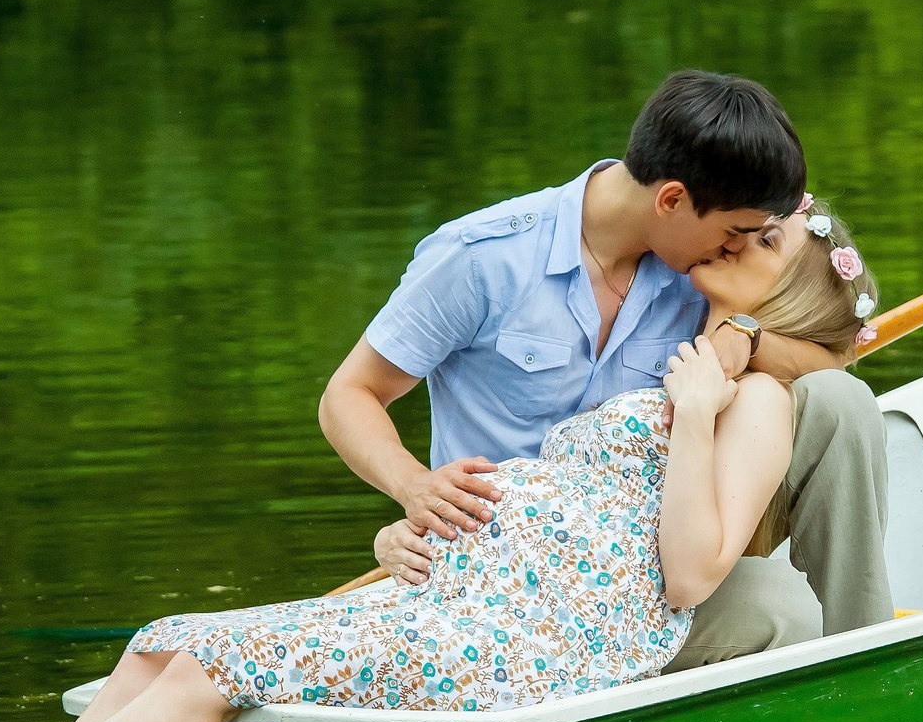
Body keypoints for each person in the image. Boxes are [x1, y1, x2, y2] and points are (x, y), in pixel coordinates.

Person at [0, 206, 882, 722]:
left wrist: (703, 414)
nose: (744, 234)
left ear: (789, 287)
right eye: (745, 225)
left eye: (767, 242)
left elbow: (689, 566)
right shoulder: (634, 295)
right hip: (478, 578)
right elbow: (383, 414)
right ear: (678, 205)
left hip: (542, 631)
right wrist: (407, 512)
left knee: (209, 667)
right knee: (167, 642)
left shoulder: (739, 394)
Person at [318, 69, 890, 668]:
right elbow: (350, 394)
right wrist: (413, 489)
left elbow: (832, 355)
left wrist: (748, 335)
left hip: (662, 575)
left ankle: (876, 667)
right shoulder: (482, 261)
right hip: (511, 582)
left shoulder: (698, 270)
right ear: (672, 200)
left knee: (838, 401)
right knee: (780, 606)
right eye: (733, 232)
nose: (737, 248)